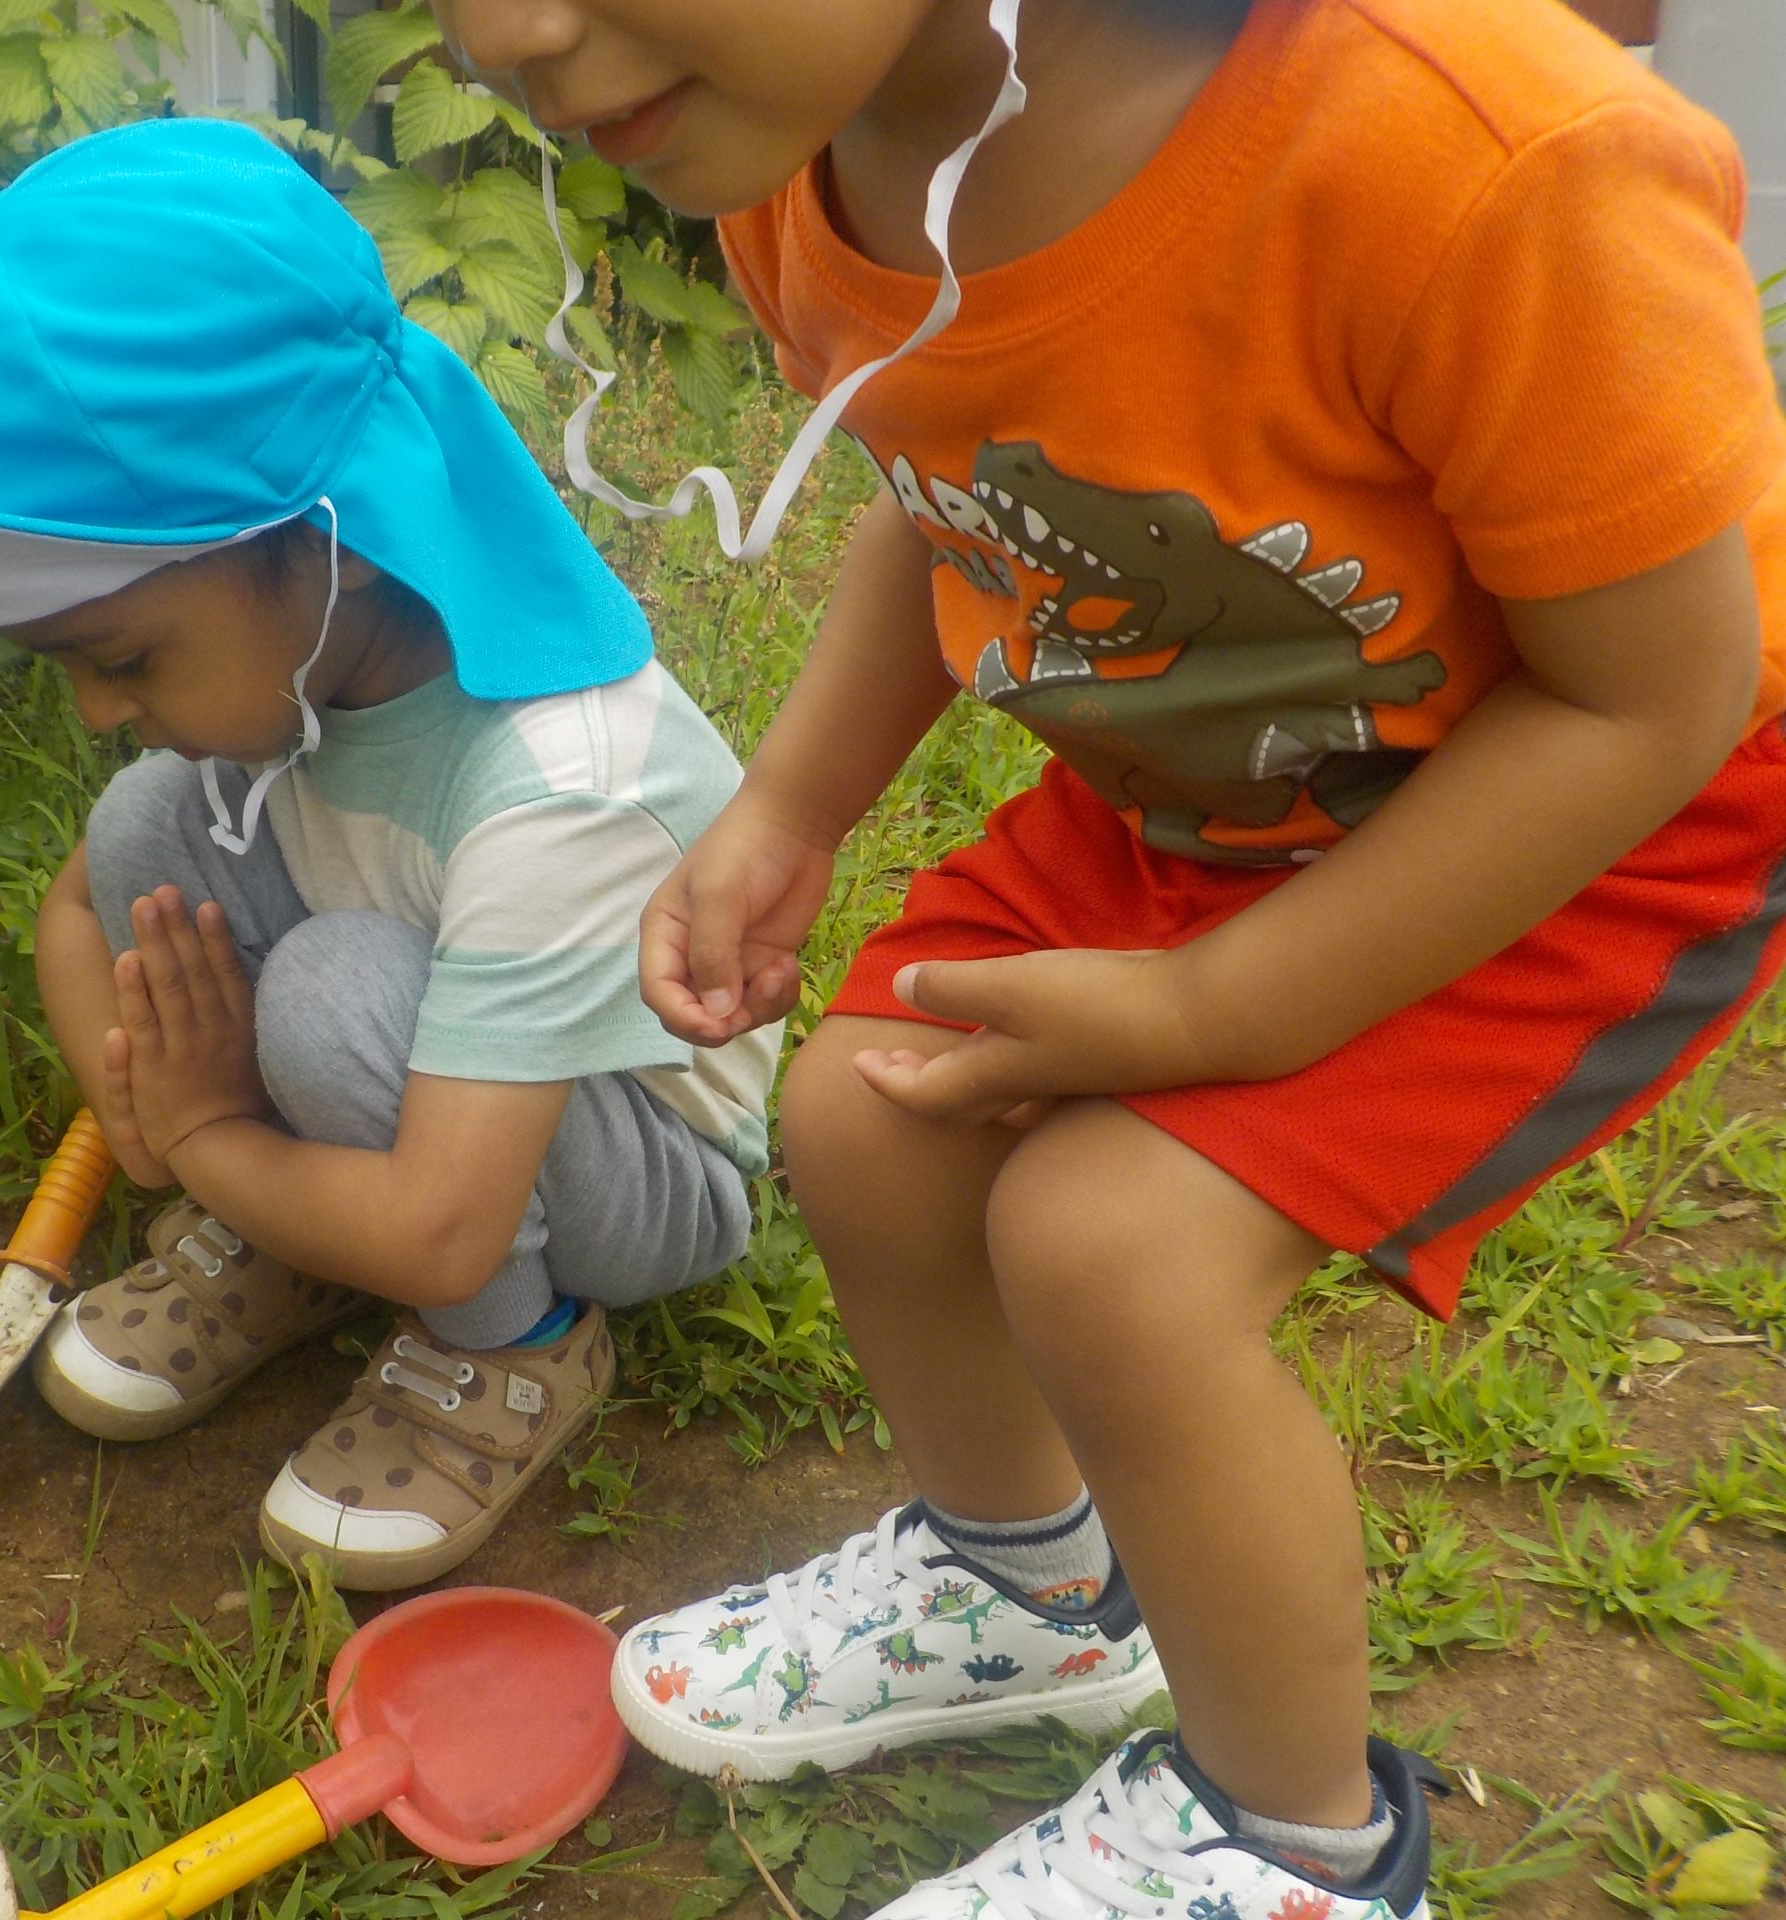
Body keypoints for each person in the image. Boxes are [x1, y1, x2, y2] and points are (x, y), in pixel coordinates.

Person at [437, 0, 1786, 1914]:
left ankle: (1296, 1842)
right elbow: (950, 485)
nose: (509, 30)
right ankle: (1028, 1590)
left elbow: (1653, 699)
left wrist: (1211, 1010)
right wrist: (798, 806)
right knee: (865, 1109)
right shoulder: (793, 147)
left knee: (1112, 1253)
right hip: (1229, 764)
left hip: (1588, 796)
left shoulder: (1477, 158)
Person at [0, 117, 780, 1591]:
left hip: (635, 1159)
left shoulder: (556, 782)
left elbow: (448, 1229)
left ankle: (515, 1354)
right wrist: (145, 1114)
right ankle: (306, 1225)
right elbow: (79, 915)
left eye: (120, 653)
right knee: (147, 823)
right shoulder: (305, 662)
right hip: (423, 1081)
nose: (91, 705)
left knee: (332, 995)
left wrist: (202, 1142)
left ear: (342, 544)